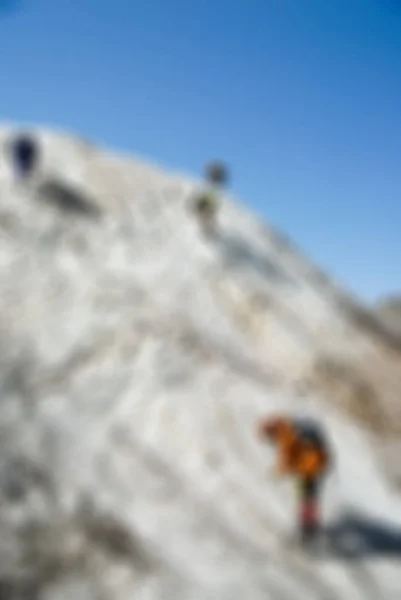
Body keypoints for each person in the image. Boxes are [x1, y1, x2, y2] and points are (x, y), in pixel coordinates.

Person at [258, 414, 332, 545]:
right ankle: (309, 530)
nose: (272, 442)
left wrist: (280, 471)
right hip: (316, 463)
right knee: (309, 498)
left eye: (270, 438)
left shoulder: (285, 432)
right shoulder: (290, 427)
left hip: (310, 467)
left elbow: (288, 454)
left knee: (306, 498)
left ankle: (308, 533)